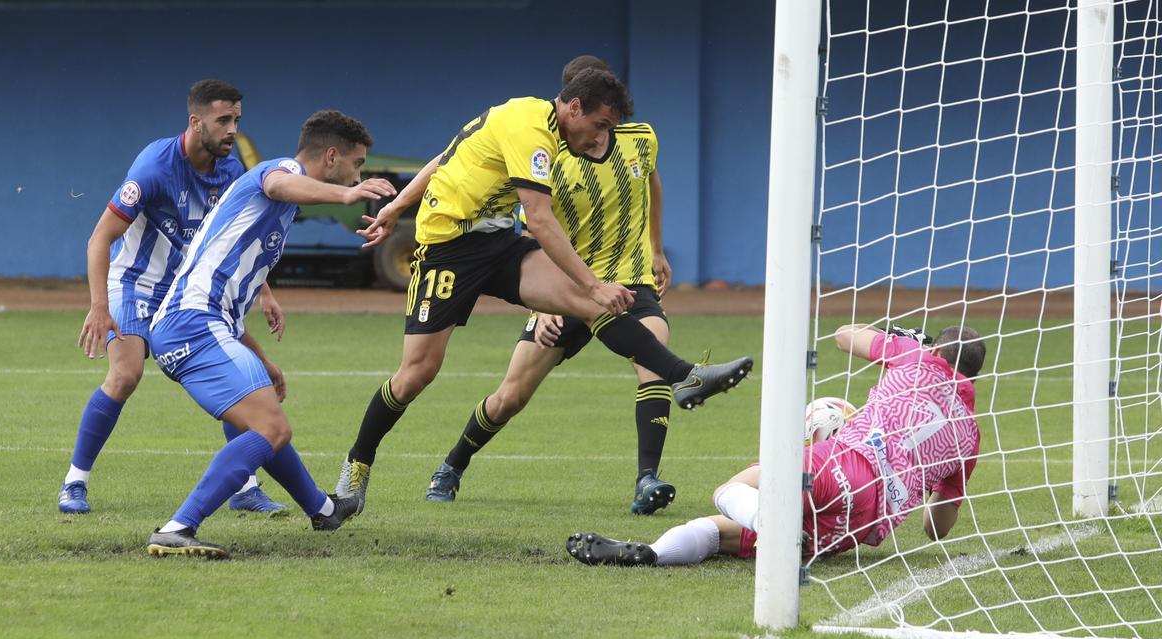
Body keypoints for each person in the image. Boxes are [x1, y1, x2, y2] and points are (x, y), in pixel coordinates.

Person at [332, 67, 753, 507]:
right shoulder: (532, 129)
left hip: (497, 241)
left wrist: (595, 286)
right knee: (417, 373)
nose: (598, 138)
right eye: (599, 126)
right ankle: (356, 467)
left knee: (589, 305)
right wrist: (593, 283)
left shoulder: (550, 129)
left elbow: (451, 154)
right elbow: (537, 217)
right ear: (574, 107)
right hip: (447, 249)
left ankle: (686, 376)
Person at [423, 56, 680, 515]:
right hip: (567, 290)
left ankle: (647, 479)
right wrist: (540, 308)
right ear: (573, 107)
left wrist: (657, 248)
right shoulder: (546, 156)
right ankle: (451, 466)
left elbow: (653, 185)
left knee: (653, 362)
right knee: (511, 396)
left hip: (630, 282)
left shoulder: (641, 140)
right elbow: (527, 236)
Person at [144, 111, 397, 558]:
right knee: (272, 426)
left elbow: (226, 299)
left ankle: (322, 510)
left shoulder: (278, 208)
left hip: (205, 325)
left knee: (262, 423)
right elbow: (278, 183)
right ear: (332, 156)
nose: (360, 175)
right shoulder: (280, 172)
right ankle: (177, 528)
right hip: (191, 323)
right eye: (357, 165)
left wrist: (260, 356)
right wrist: (346, 194)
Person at [566, 323, 987, 566]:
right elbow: (937, 528)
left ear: (935, 350)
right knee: (718, 534)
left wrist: (906, 338)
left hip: (846, 460)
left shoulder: (915, 356)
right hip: (866, 521)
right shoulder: (970, 434)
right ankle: (653, 554)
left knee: (730, 492)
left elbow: (843, 336)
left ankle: (769, 524)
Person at [59, 80, 287, 515]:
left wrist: (265, 292)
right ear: (195, 121)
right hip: (134, 286)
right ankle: (74, 482)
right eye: (223, 120)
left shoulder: (231, 172)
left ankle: (245, 488)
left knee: (234, 374)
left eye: (236, 120)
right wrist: (98, 306)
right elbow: (99, 237)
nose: (231, 130)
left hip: (187, 294)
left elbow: (238, 240)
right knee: (125, 375)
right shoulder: (154, 166)